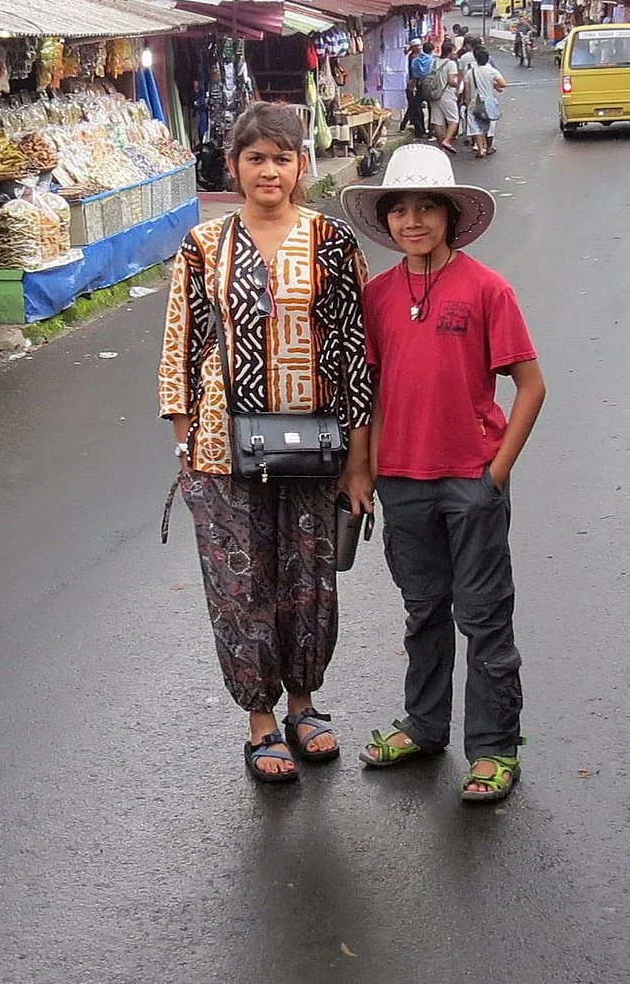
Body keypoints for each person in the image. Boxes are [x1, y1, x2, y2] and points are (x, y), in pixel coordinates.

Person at [160, 102, 378, 785]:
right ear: (234, 166)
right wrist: (187, 445)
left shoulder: (333, 242)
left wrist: (359, 461)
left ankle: (304, 704)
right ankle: (260, 720)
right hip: (224, 449)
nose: (269, 170)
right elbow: (182, 346)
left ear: (300, 166)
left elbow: (355, 353)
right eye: (255, 157)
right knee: (239, 583)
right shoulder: (204, 247)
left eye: (282, 158)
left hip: (315, 446)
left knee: (306, 577)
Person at [338, 144, 546, 803]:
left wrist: (497, 470)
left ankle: (494, 747)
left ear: (451, 215)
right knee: (422, 612)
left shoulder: (487, 289)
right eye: (401, 208)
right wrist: (360, 468)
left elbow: (531, 385)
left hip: (470, 482)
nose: (414, 220)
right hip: (401, 483)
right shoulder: (376, 296)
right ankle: (425, 725)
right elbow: (365, 389)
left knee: (484, 617)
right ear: (388, 219)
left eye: (428, 206)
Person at [460, 44, 507, 157]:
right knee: (490, 126)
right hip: (488, 102)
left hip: (474, 102)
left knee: (476, 127)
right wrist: (494, 85)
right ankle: (489, 147)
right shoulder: (491, 71)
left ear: (476, 59)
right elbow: (503, 84)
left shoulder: (470, 72)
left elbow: (467, 89)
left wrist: (467, 101)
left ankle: (481, 149)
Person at [429, 45, 465, 151]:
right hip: (447, 94)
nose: (455, 54)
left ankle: (441, 146)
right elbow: (451, 81)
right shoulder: (451, 64)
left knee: (437, 121)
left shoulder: (435, 62)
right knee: (454, 120)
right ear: (449, 52)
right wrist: (458, 81)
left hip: (435, 94)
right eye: (454, 51)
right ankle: (447, 140)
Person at [403, 39, 431, 137]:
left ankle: (423, 130)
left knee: (415, 107)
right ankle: (421, 130)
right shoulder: (411, 58)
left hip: (419, 85)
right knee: (415, 108)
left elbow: (415, 75)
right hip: (417, 85)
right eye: (416, 46)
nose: (418, 47)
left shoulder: (419, 59)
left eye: (419, 45)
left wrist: (413, 84)